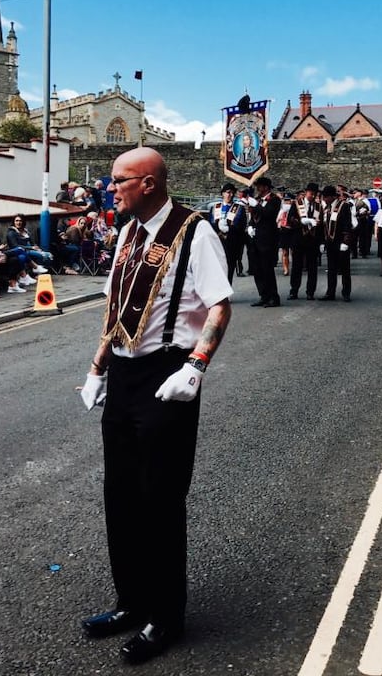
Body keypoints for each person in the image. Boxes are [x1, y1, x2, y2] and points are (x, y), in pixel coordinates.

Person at [79, 147, 232, 665]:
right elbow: (114, 306)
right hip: (123, 375)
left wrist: (197, 365)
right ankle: (131, 602)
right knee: (119, 494)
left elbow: (219, 304)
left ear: (147, 183)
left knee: (160, 498)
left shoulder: (196, 232)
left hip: (169, 375)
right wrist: (97, 367)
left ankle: (165, 616)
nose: (110, 187)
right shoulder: (126, 233)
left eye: (119, 180)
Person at [246, 175, 281, 308]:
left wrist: (256, 206)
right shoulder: (257, 200)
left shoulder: (274, 200)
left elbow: (268, 214)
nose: (258, 189)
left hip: (267, 239)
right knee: (257, 269)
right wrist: (250, 226)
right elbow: (252, 214)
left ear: (266, 187)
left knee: (267, 270)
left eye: (259, 186)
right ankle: (263, 295)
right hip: (255, 239)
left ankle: (273, 297)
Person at [287, 182, 322, 299]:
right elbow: (290, 220)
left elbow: (321, 225)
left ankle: (310, 292)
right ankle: (294, 290)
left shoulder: (318, 206)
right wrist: (303, 221)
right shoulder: (297, 204)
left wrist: (321, 242)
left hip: (313, 241)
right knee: (297, 266)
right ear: (306, 192)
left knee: (313, 267)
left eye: (315, 194)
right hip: (298, 239)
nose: (312, 196)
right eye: (311, 193)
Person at [319, 184, 353, 301]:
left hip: (341, 242)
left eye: (326, 197)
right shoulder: (325, 208)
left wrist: (346, 241)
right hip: (330, 242)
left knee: (345, 269)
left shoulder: (344, 206)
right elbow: (323, 226)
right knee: (331, 268)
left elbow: (348, 225)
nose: (324, 199)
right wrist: (322, 242)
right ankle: (330, 292)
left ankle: (346, 293)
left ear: (332, 197)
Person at [208, 183, 247, 285]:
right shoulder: (215, 207)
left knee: (229, 267)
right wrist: (218, 228)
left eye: (232, 193)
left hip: (232, 242)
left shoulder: (239, 208)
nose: (230, 195)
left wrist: (229, 229)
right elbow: (210, 224)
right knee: (218, 267)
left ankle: (227, 289)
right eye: (228, 192)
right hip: (218, 241)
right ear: (223, 194)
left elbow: (242, 226)